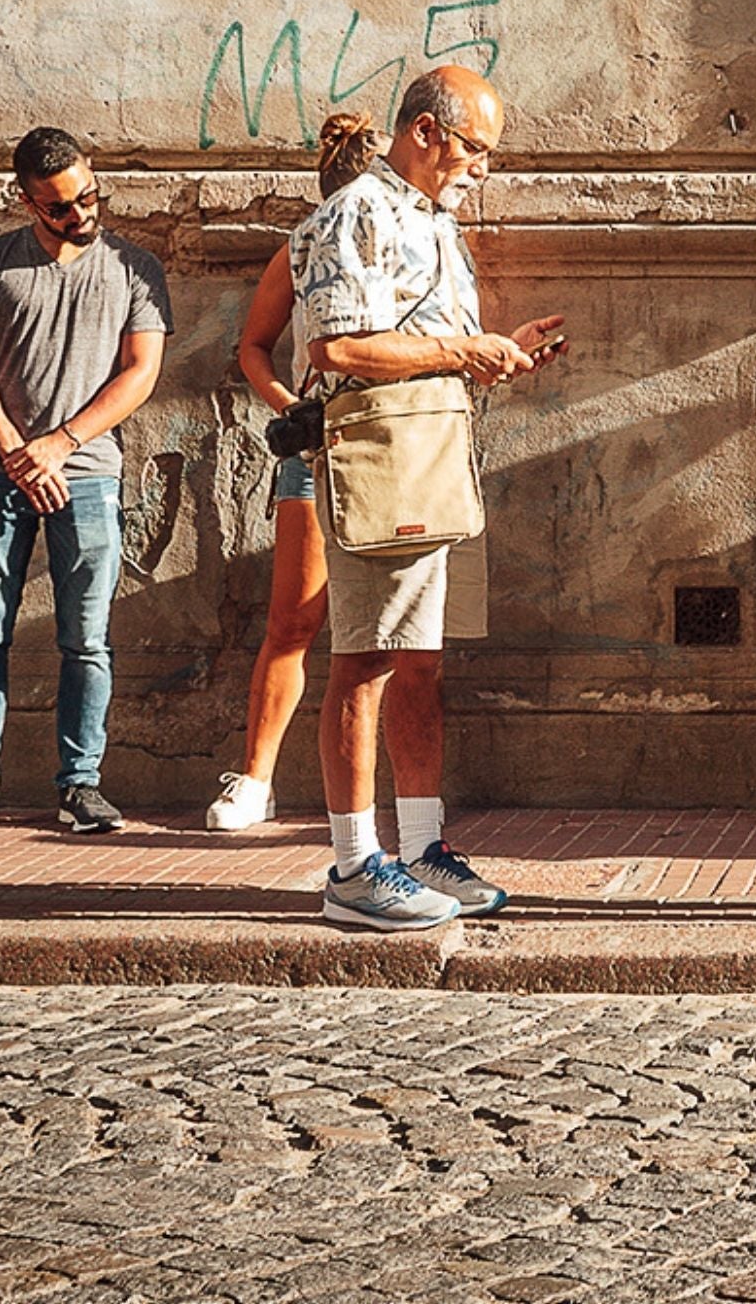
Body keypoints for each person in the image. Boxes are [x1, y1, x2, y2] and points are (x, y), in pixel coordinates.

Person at [291, 64, 565, 929]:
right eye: (475, 148)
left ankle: (420, 848)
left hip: (435, 450)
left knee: (420, 661)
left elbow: (428, 343)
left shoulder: (429, 220)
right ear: (426, 134)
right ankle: (351, 868)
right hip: (385, 455)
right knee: (365, 660)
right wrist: (461, 353)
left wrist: (493, 352)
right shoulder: (358, 213)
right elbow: (335, 348)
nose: (483, 167)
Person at [0, 127, 172, 835]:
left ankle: (81, 786)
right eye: (60, 206)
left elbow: (140, 373)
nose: (81, 214)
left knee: (86, 640)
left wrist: (59, 445)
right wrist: (15, 453)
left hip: (88, 476)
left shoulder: (134, 267)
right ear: (27, 200)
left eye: (89, 195)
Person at [207, 112, 385, 831]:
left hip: (396, 449)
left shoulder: (420, 242)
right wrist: (291, 404)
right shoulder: (305, 247)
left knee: (393, 634)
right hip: (317, 450)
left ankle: (384, 793)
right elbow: (254, 346)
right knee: (294, 619)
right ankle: (256, 779)